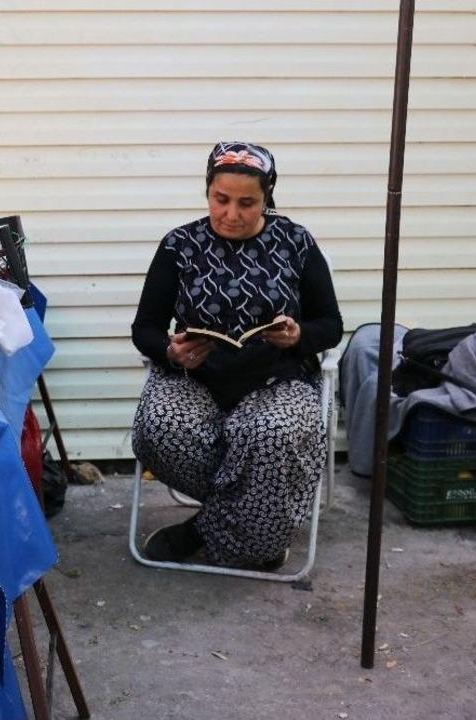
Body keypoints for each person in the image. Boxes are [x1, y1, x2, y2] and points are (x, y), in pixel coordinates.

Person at [130, 141, 342, 569]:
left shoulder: (296, 242)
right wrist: (172, 351)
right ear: (208, 191)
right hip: (196, 378)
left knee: (275, 437)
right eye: (220, 200)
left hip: (277, 380)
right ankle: (253, 524)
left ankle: (202, 529)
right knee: (161, 428)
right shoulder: (180, 245)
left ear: (268, 197)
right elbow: (144, 329)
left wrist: (299, 335)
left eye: (247, 203)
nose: (231, 213)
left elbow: (332, 325)